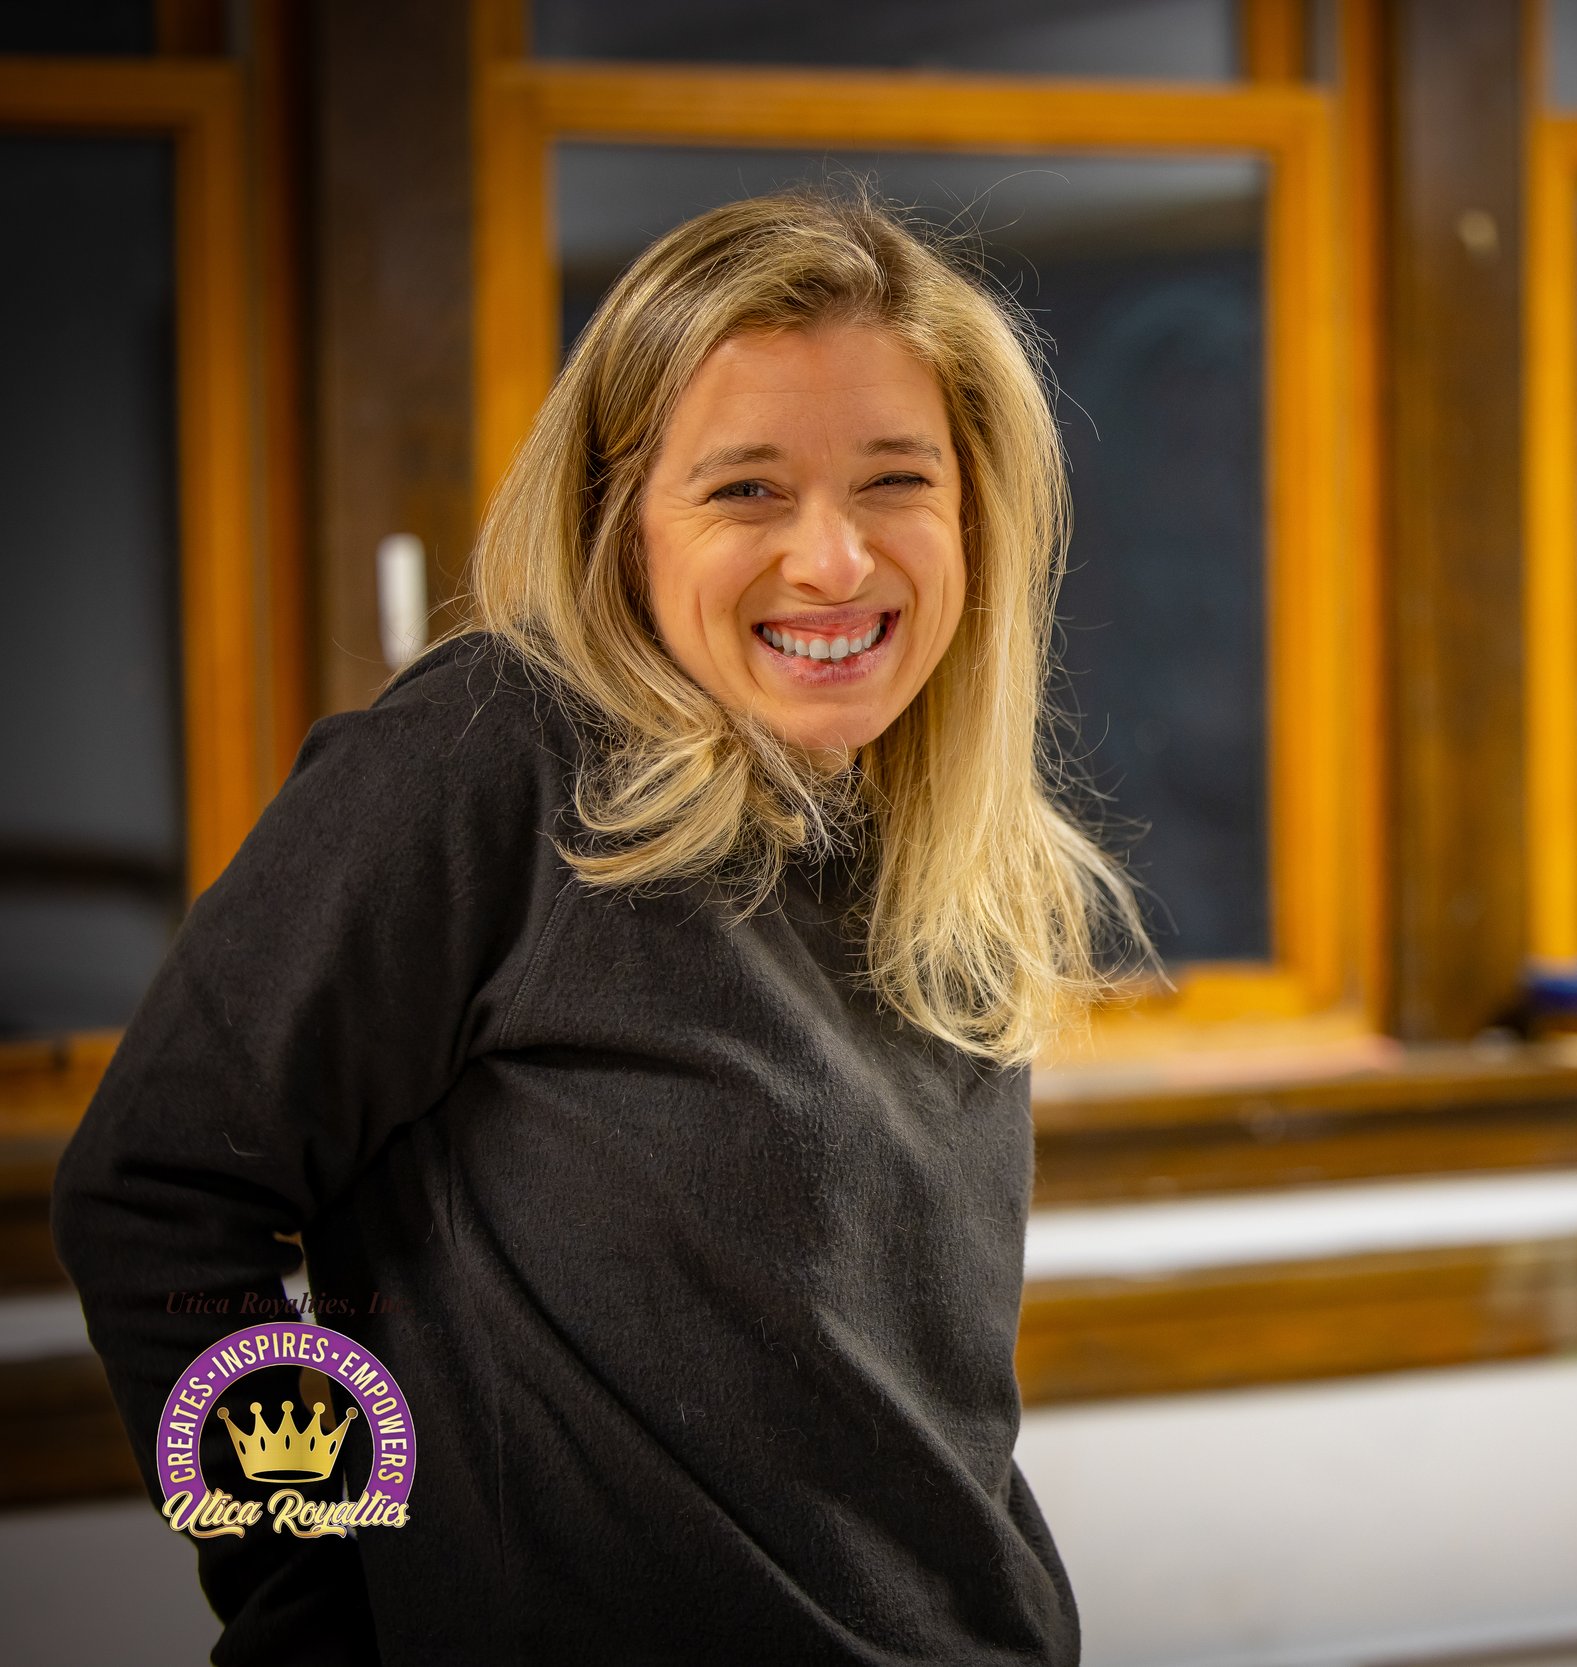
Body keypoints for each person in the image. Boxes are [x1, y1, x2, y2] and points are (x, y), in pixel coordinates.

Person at [52, 189, 1145, 1665]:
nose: (834, 560)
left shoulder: (935, 839)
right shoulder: (492, 761)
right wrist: (309, 1599)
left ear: (974, 513)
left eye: (897, 480)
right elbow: (152, 1198)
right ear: (620, 523)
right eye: (746, 490)